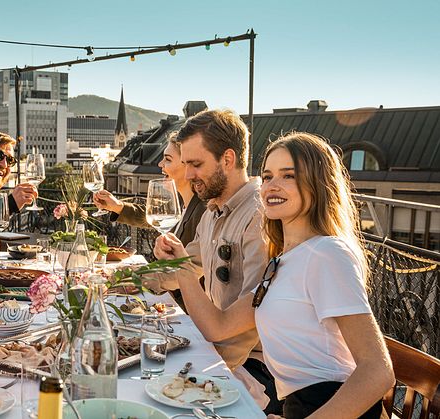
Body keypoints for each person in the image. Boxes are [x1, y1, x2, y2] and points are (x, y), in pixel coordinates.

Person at [157, 132, 394, 418]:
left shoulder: (326, 253)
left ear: (318, 184)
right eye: (267, 176)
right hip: (299, 407)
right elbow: (217, 327)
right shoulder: (282, 261)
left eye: (288, 176)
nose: (272, 186)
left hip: (337, 406)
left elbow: (378, 372)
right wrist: (182, 265)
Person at [154, 109, 280, 413]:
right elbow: (183, 266)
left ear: (228, 159)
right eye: (185, 165)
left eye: (196, 164)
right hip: (214, 351)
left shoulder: (260, 216)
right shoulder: (212, 212)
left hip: (256, 365)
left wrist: (207, 363)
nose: (187, 176)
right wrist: (122, 282)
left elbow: (248, 323)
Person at [93, 132, 205, 247]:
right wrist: (117, 206)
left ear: (188, 164)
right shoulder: (181, 203)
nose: (160, 164)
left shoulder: (203, 213)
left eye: (168, 159)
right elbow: (153, 215)